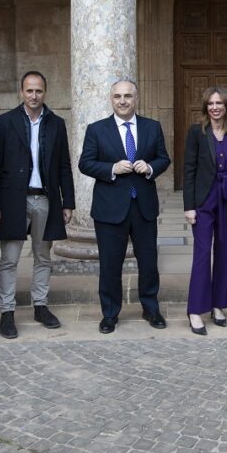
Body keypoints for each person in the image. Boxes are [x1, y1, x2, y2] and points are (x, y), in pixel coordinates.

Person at [79, 79, 171, 334]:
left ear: (136, 98)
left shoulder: (152, 127)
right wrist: (111, 168)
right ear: (111, 99)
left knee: (149, 263)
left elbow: (164, 158)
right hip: (110, 209)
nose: (122, 101)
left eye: (127, 96)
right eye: (118, 96)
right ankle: (110, 314)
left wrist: (150, 167)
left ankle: (151, 309)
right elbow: (85, 163)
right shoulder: (97, 129)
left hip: (143, 207)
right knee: (110, 264)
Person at [0, 71, 76, 339]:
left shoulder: (56, 124)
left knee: (43, 257)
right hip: (14, 199)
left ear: (45, 93)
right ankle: (7, 312)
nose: (34, 96)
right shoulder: (4, 122)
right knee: (9, 259)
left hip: (45, 199)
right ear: (21, 92)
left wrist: (68, 201)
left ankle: (40, 306)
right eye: (29, 91)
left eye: (38, 91)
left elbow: (64, 165)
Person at [182, 86, 227, 335]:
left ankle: (219, 305)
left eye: (219, 103)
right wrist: (188, 206)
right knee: (202, 254)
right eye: (211, 103)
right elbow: (188, 170)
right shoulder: (196, 132)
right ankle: (195, 310)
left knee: (226, 252)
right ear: (205, 107)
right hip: (204, 200)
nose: (215, 107)